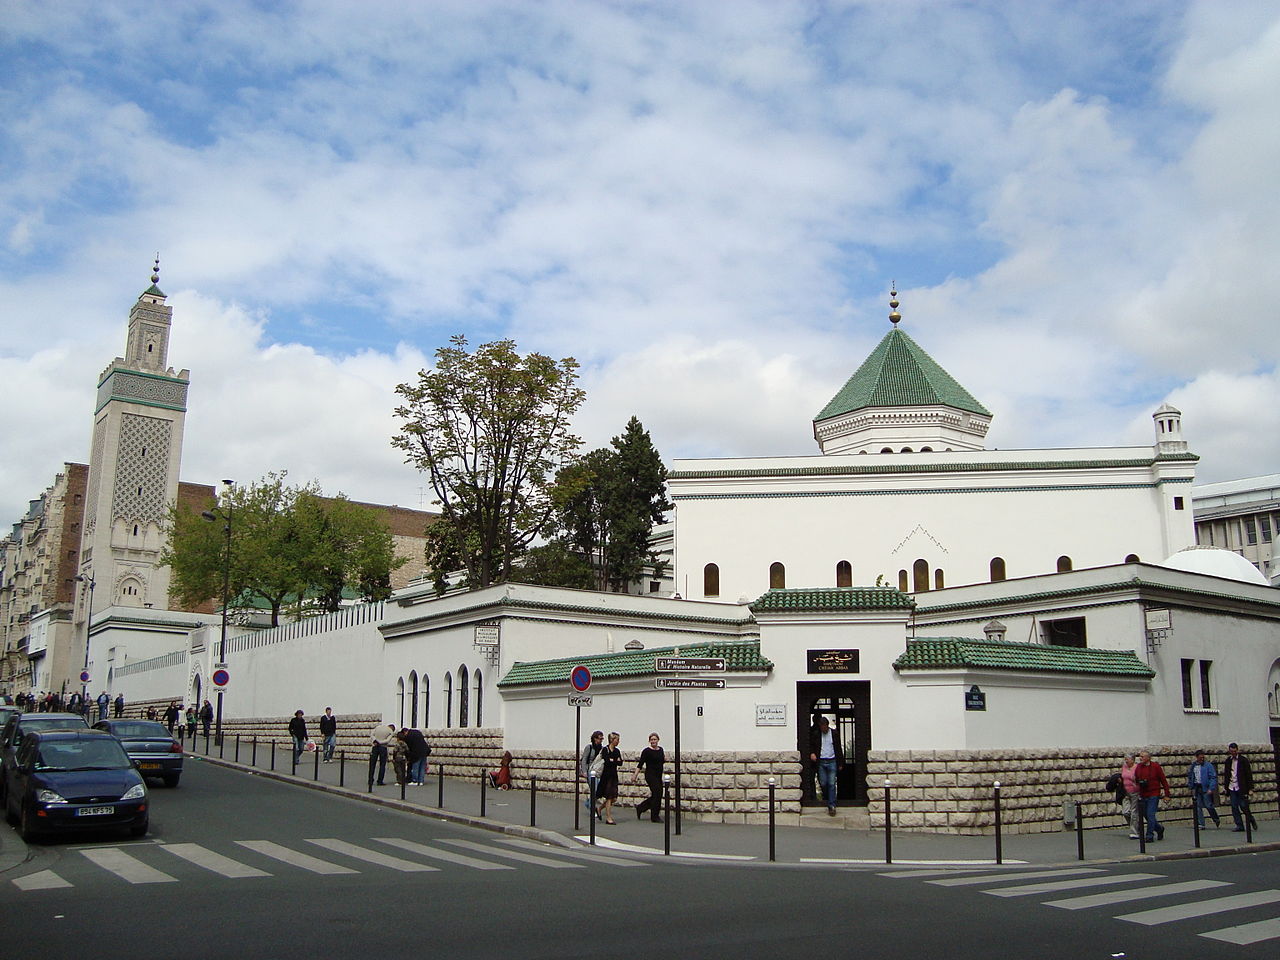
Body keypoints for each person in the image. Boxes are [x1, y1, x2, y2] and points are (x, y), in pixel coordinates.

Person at [808, 715, 844, 816]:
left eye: (824, 726)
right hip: (821, 761)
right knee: (823, 783)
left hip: (832, 761)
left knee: (832, 783)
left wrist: (840, 762)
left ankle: (831, 805)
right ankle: (827, 798)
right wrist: (812, 753)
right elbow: (811, 745)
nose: (822, 729)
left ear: (827, 726)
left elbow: (838, 748)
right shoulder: (816, 734)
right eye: (821, 727)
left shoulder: (834, 734)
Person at [1134, 749, 1171, 841]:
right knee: (1146, 815)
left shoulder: (1156, 767)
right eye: (1140, 756)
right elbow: (1135, 779)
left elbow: (1163, 781)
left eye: (1142, 756)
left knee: (1150, 814)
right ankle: (1159, 828)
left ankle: (1149, 835)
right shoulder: (1138, 767)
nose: (1140, 758)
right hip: (1143, 794)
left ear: (1148, 758)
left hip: (1153, 794)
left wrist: (1167, 794)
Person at [1222, 742, 1258, 833]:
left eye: (1234, 751)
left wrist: (1250, 788)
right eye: (1231, 751)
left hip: (1241, 787)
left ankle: (1251, 819)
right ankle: (1239, 825)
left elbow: (1248, 774)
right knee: (1234, 807)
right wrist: (1226, 788)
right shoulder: (1228, 761)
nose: (1233, 753)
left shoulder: (1243, 760)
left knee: (1243, 806)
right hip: (1232, 787)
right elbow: (1226, 774)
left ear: (1237, 750)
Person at [633, 732, 665, 822]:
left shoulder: (661, 750)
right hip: (650, 775)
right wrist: (635, 775)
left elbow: (662, 761)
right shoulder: (646, 751)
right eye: (651, 740)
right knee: (656, 793)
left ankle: (641, 807)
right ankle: (654, 816)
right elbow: (640, 764)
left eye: (655, 739)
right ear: (649, 741)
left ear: (658, 740)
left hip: (658, 775)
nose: (653, 741)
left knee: (658, 795)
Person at [1186, 749, 1220, 828]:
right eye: (1200, 757)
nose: (1202, 759)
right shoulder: (1193, 766)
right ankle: (1201, 823)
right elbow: (1191, 776)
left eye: (1203, 757)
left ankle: (1215, 818)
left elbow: (1213, 777)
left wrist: (1211, 788)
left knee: (1208, 805)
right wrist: (1191, 785)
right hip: (1197, 787)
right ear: (1196, 757)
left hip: (1205, 787)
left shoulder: (1208, 766)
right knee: (1198, 806)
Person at [579, 730, 606, 820]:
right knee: (594, 789)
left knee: (596, 791)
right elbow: (584, 759)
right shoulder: (589, 747)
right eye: (600, 738)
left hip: (597, 771)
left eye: (602, 738)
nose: (601, 740)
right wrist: (584, 771)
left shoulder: (602, 748)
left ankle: (588, 803)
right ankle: (592, 809)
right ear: (595, 738)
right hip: (590, 771)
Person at [597, 732, 622, 825]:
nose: (618, 741)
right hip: (606, 776)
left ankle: (599, 809)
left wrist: (613, 760)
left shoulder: (617, 751)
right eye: (617, 739)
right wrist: (614, 760)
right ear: (612, 740)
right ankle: (608, 818)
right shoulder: (605, 749)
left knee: (614, 798)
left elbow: (620, 762)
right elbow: (607, 761)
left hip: (614, 775)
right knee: (609, 797)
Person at [369, 721, 394, 786]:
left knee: (372, 764)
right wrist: (380, 742)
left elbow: (371, 734)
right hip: (383, 747)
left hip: (375, 746)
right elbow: (387, 740)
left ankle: (370, 780)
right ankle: (380, 781)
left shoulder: (378, 727)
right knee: (382, 765)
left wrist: (375, 740)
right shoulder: (390, 731)